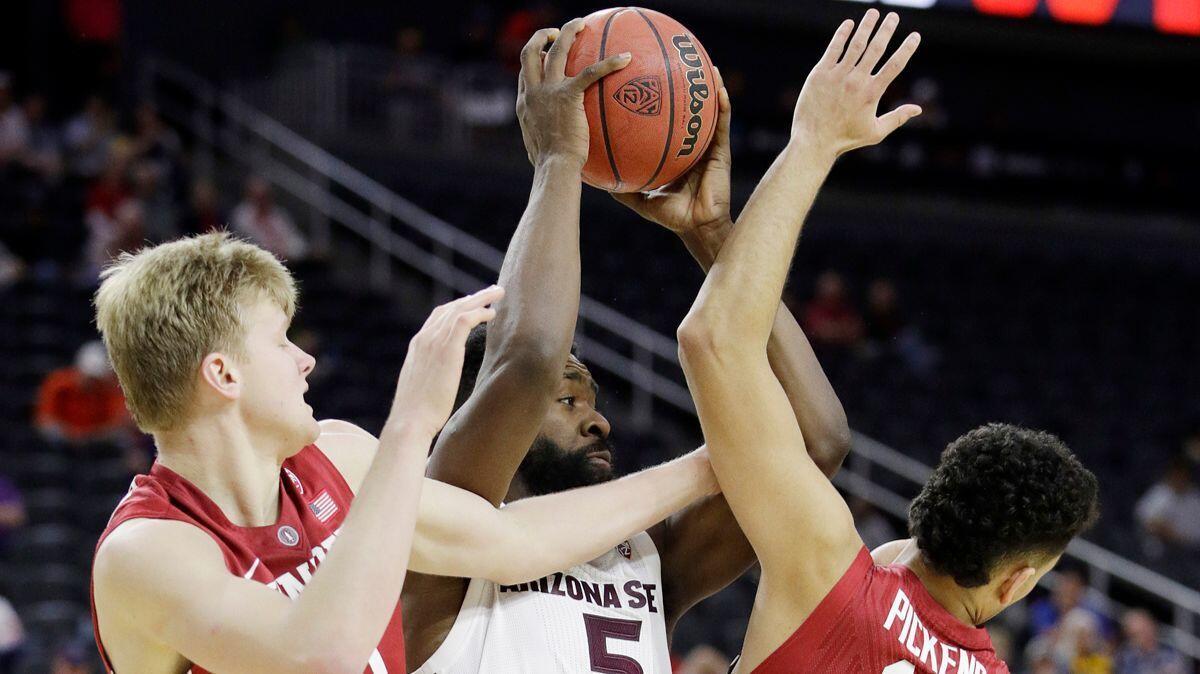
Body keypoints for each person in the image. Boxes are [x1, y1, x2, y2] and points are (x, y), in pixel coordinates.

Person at [88, 189, 716, 672]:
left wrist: (704, 468)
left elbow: (510, 540)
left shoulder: (337, 456)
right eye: (280, 342)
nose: (305, 360)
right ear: (223, 374)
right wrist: (412, 423)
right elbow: (317, 657)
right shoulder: (147, 552)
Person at [404, 19, 850, 673]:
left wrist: (714, 236)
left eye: (589, 400)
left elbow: (818, 444)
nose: (599, 418)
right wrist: (558, 159)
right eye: (569, 398)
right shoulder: (438, 530)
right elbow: (528, 360)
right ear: (467, 417)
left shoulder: (650, 555)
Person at [673, 10, 1099, 672]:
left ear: (925, 508)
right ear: (1018, 582)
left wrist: (813, 142)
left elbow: (715, 339)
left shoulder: (829, 571)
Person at [34, 341, 130, 445]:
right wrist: (72, 435)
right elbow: (44, 419)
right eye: (89, 377)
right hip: (61, 444)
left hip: (97, 444)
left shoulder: (108, 388)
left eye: (96, 379)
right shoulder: (58, 384)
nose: (92, 383)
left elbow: (118, 422)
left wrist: (89, 436)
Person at [1114, 609, 1186, 674]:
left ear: (1154, 625)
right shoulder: (1126, 658)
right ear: (1130, 637)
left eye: (1147, 627)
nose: (1147, 634)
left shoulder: (1170, 650)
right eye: (1140, 632)